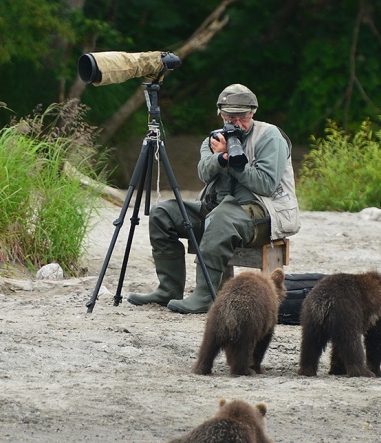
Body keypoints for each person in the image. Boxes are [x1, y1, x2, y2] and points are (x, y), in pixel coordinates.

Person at [127, 83, 301, 314]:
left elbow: (266, 184)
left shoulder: (270, 137)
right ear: (220, 115)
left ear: (253, 113)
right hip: (220, 211)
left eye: (243, 118)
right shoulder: (215, 139)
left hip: (263, 213)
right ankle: (169, 288)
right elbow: (203, 172)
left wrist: (233, 163)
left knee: (221, 217)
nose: (237, 123)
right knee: (163, 213)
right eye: (230, 118)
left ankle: (204, 295)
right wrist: (220, 157)